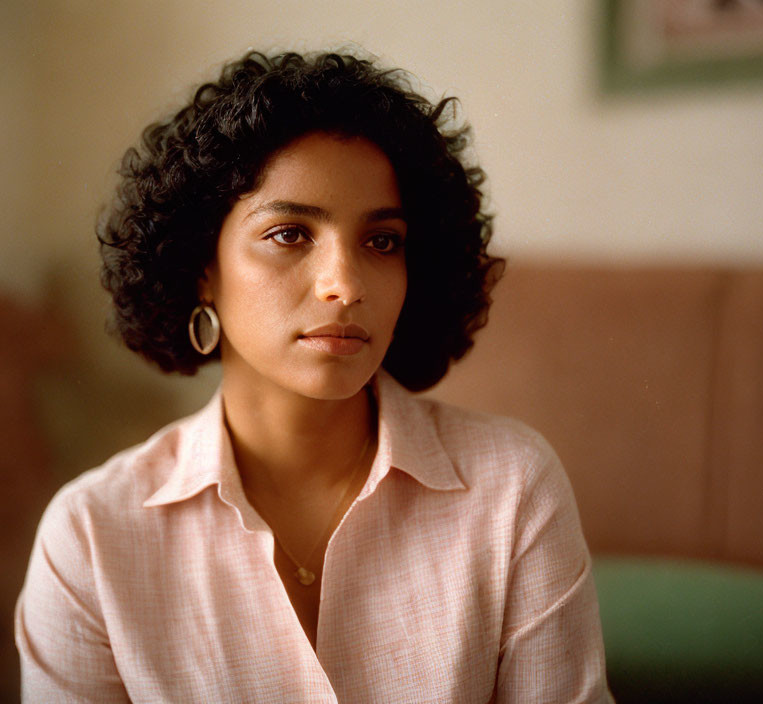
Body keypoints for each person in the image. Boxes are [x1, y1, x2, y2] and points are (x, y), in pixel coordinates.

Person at [15, 50, 612, 702]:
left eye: (381, 242)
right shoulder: (91, 539)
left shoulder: (512, 490)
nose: (346, 285)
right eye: (291, 234)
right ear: (201, 266)